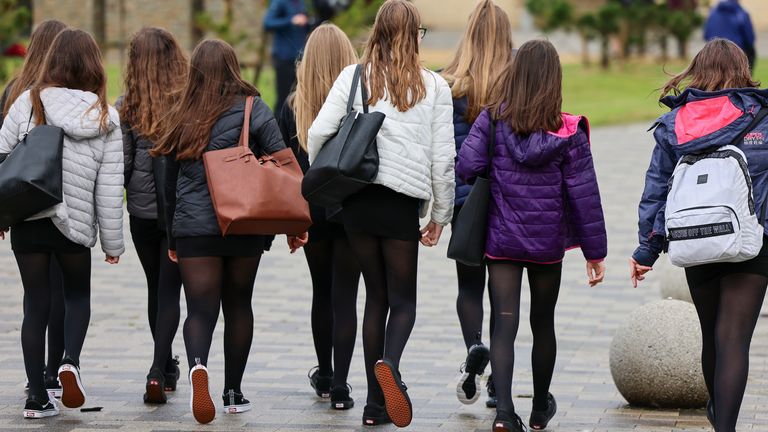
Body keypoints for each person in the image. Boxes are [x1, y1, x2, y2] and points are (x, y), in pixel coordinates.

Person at [309, 1, 455, 427]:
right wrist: (439, 216)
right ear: (414, 36)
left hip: (356, 201)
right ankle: (390, 365)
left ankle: (375, 407)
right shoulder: (432, 86)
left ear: (376, 33)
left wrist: (329, 181)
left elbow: (319, 133)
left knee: (374, 297)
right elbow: (443, 160)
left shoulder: (354, 76)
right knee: (402, 300)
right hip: (400, 203)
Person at [154, 39, 306, 425]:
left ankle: (198, 367)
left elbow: (168, 183)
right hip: (243, 224)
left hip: (193, 228)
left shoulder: (181, 111)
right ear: (233, 67)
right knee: (239, 305)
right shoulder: (254, 109)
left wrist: (173, 238)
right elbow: (283, 164)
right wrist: (294, 222)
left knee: (200, 309)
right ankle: (234, 392)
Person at [457, 40, 607, 432]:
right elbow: (584, 195)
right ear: (554, 80)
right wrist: (595, 253)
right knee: (543, 324)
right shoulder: (568, 131)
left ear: (516, 74)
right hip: (546, 246)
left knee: (503, 325)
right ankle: (540, 408)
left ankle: (504, 413)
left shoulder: (492, 119)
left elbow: (466, 165)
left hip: (502, 242)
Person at [631, 39, 768, 432]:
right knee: (735, 339)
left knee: (712, 335)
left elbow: (657, 187)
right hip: (755, 243)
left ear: (698, 70)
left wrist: (647, 249)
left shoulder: (677, 123)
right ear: (743, 69)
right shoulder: (762, 116)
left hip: (697, 238)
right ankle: (725, 425)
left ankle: (718, 415)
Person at [0, 28, 124, 418]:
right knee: (76, 296)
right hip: (76, 224)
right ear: (94, 66)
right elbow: (109, 187)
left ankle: (36, 397)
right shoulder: (104, 115)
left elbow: (2, 155)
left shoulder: (28, 100)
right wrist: (113, 245)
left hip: (30, 216)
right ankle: (69, 362)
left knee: (35, 304)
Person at [277, 23, 361, 410]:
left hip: (311, 212)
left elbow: (282, 166)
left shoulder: (294, 105)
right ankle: (342, 385)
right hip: (351, 207)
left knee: (321, 291)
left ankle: (325, 375)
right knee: (346, 295)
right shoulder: (361, 102)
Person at [440, 0, 515, 409]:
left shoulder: (446, 80)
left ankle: (474, 346)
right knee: (503, 296)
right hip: (509, 202)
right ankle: (497, 386)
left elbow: (439, 149)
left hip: (465, 200)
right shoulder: (520, 78)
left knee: (468, 285)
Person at [117, 27, 187, 405]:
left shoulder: (126, 105)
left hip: (142, 212)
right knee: (169, 289)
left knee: (154, 287)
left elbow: (123, 165)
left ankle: (165, 364)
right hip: (179, 210)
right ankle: (160, 368)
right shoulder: (186, 101)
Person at [0, 19, 67, 400]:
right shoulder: (66, 92)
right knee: (60, 290)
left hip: (22, 204)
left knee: (34, 295)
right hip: (61, 202)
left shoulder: (14, 91)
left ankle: (35, 381)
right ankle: (55, 368)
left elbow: (2, 154)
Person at [263, 0, 310, 116]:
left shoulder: (301, 3)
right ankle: (277, 131)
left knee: (301, 98)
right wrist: (291, 21)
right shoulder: (279, 2)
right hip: (284, 59)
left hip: (300, 58)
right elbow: (268, 23)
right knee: (284, 99)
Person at [704, 0, 756, 71]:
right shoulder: (742, 14)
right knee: (751, 52)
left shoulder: (712, 13)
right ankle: (746, 77)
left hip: (713, 54)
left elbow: (706, 35)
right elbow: (750, 39)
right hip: (736, 55)